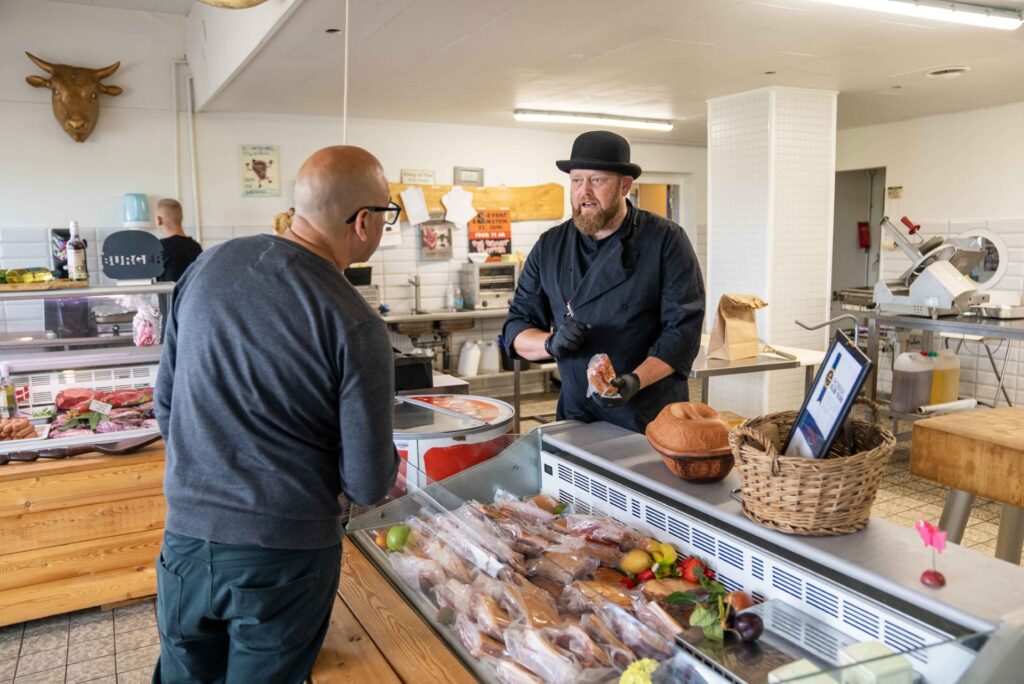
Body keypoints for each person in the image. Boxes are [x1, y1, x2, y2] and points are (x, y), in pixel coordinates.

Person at [154, 146, 400, 683]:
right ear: (363, 222)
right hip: (283, 557)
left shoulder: (207, 266)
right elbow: (366, 482)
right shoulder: (355, 321)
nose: (385, 224)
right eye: (388, 212)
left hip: (186, 542)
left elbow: (165, 406)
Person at [503, 131, 705, 433]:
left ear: (625, 185)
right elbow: (515, 327)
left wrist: (633, 381)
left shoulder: (665, 240)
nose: (584, 192)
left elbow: (682, 333)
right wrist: (550, 342)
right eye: (576, 181)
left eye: (597, 180)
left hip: (646, 413)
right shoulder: (550, 246)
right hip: (576, 414)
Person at [154, 198, 202, 282]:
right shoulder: (196, 247)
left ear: (159, 220)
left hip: (173, 295)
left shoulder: (160, 247)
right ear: (181, 218)